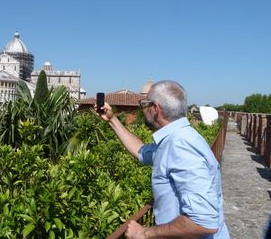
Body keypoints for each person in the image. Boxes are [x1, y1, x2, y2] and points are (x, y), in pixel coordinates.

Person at [98, 80, 229, 239]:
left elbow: (203, 222)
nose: (142, 108)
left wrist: (145, 233)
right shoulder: (177, 139)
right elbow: (141, 151)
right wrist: (112, 120)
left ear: (155, 108)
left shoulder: (180, 146)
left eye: (144, 103)